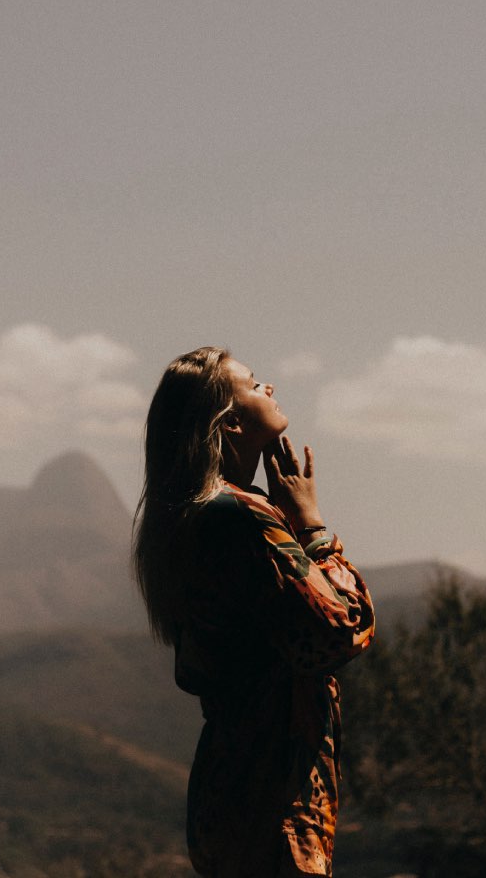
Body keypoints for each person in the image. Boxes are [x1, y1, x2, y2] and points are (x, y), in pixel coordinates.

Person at [132, 346, 374, 878]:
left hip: (231, 791)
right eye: (253, 383)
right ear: (230, 421)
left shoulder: (196, 519)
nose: (269, 387)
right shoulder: (239, 517)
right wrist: (311, 527)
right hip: (273, 797)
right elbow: (342, 630)